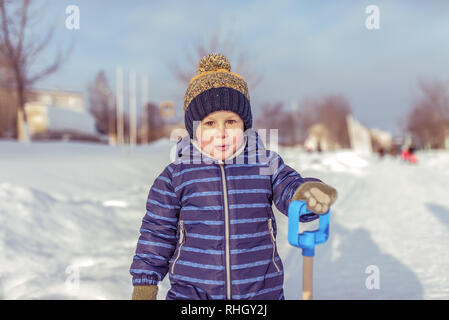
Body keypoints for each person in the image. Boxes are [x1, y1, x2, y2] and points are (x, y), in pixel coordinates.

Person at [129, 53, 338, 300]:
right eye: (209, 124)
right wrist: (145, 281)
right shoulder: (176, 175)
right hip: (193, 295)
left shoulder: (263, 163)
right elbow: (157, 231)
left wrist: (306, 195)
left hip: (259, 294)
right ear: (194, 129)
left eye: (230, 122)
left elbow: (289, 187)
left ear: (244, 124)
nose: (221, 133)